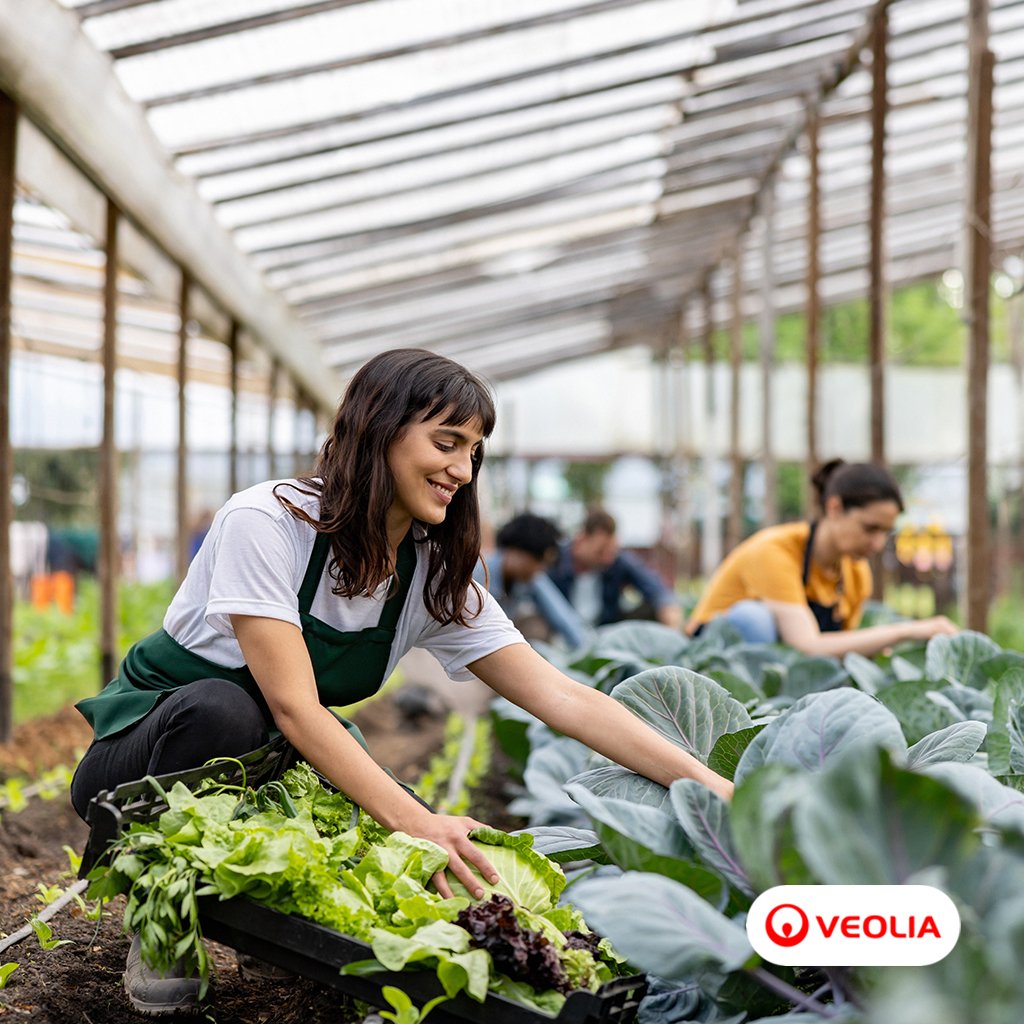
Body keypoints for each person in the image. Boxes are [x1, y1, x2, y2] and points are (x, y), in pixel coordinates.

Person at [69, 348, 732, 1016]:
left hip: (271, 771)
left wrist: (713, 788)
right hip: (141, 769)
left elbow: (562, 698)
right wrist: (421, 821)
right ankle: (162, 913)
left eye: (474, 452)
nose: (460, 470)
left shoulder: (427, 574)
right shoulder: (266, 523)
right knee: (227, 710)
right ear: (379, 429)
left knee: (402, 853)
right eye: (446, 444)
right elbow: (296, 710)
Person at [685, 459, 959, 656]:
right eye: (869, 528)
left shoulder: (855, 572)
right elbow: (807, 646)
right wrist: (905, 631)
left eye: (885, 533)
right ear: (834, 507)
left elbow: (839, 651)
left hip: (778, 671)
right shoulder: (773, 551)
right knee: (753, 619)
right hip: (708, 662)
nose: (877, 544)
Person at [546, 507, 683, 632]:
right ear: (581, 540)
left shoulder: (617, 562)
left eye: (611, 552)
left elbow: (656, 589)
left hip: (605, 634)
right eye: (600, 551)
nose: (607, 559)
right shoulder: (554, 561)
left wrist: (670, 616)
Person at [474, 512, 589, 648]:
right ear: (516, 550)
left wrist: (587, 651)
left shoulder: (530, 579)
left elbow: (562, 616)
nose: (540, 569)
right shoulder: (476, 575)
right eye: (539, 562)